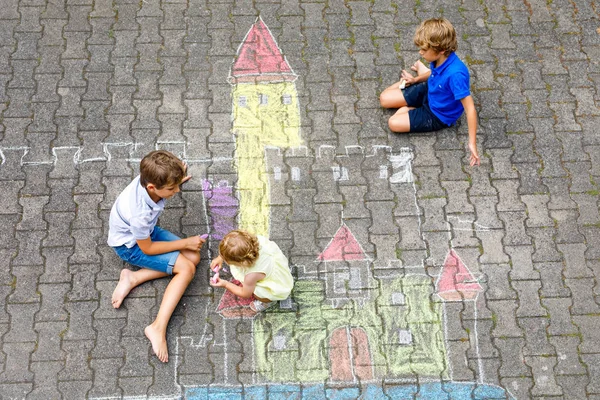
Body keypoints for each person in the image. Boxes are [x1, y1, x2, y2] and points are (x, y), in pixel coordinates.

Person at [107, 150, 206, 363]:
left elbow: (164, 166)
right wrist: (186, 241)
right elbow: (149, 249)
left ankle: (133, 277)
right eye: (172, 188)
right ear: (152, 187)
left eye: (177, 185)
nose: (176, 191)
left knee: (194, 257)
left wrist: (176, 176)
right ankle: (156, 328)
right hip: (132, 247)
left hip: (147, 234)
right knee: (188, 268)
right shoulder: (139, 215)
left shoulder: (150, 177)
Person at [380, 18, 480, 166]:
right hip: (431, 89)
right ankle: (420, 72)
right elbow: (434, 73)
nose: (420, 52)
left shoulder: (456, 75)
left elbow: (470, 109)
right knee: (384, 99)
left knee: (393, 123)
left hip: (437, 114)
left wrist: (472, 142)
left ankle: (410, 108)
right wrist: (416, 80)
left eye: (424, 50)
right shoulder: (438, 58)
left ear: (441, 51)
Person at [209, 230, 293, 312]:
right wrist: (220, 257)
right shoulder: (256, 242)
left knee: (259, 293)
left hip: (277, 286)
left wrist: (225, 284)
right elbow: (234, 247)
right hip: (276, 267)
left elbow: (245, 294)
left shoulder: (251, 276)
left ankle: (268, 302)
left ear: (241, 263)